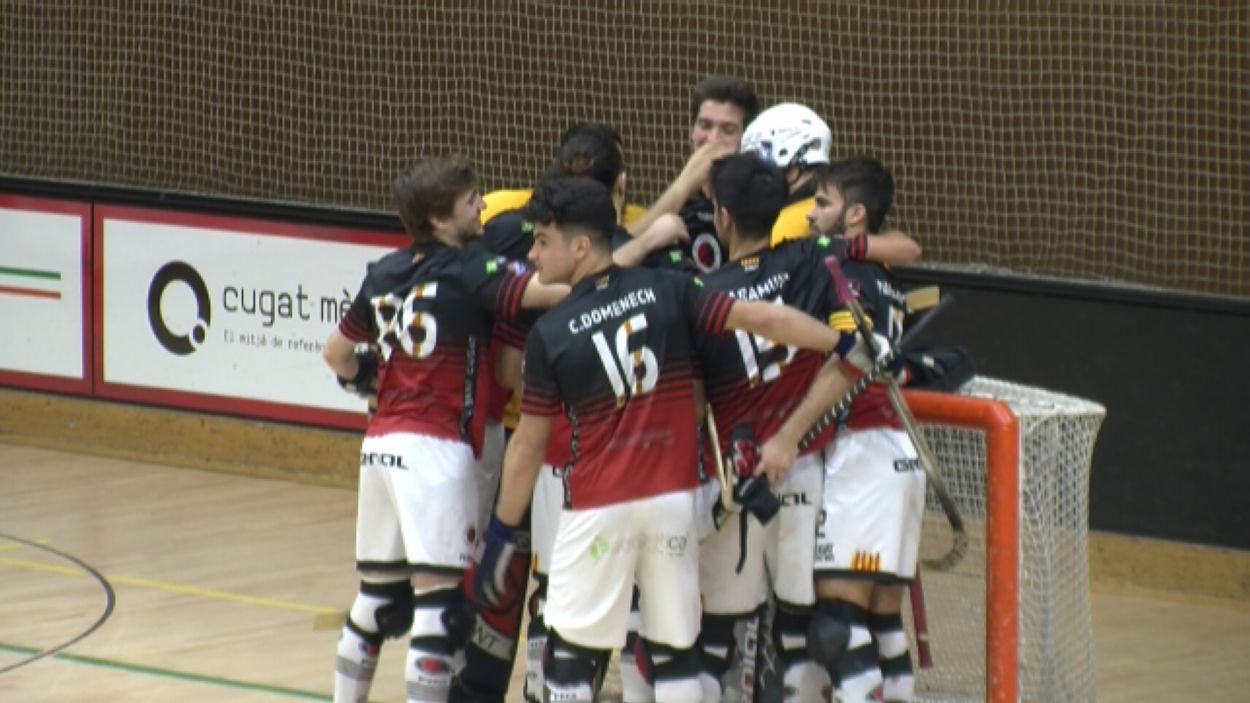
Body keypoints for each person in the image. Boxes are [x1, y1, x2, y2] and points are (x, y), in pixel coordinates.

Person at [470, 177, 871, 703]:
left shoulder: (552, 332)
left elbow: (526, 449)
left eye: (543, 240)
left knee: (569, 649)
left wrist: (501, 532)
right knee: (675, 649)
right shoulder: (672, 290)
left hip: (598, 508)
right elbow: (766, 319)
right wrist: (841, 341)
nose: (533, 252)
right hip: (672, 504)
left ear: (581, 247)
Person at [322, 157, 568, 703]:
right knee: (440, 605)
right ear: (438, 220)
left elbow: (336, 353)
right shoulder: (470, 270)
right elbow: (544, 293)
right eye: (470, 200)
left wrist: (374, 380)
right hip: (435, 452)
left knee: (376, 601)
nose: (482, 205)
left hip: (380, 446)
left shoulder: (383, 271)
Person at [695, 152, 899, 703]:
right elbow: (862, 352)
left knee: (714, 637)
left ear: (724, 217)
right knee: (802, 626)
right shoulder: (814, 259)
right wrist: (791, 437)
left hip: (733, 478)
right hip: (802, 469)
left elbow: (693, 400)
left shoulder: (704, 295)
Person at [760, 156, 923, 703]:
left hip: (863, 453)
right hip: (897, 453)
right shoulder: (879, 273)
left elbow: (848, 360)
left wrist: (788, 433)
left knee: (834, 625)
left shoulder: (845, 275)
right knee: (882, 625)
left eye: (822, 204)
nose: (810, 215)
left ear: (854, 214)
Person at [627, 75, 762, 272]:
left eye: (728, 129)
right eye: (705, 126)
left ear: (748, 137)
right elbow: (617, 254)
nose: (713, 139)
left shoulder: (762, 199)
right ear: (692, 131)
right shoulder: (677, 205)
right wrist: (684, 184)